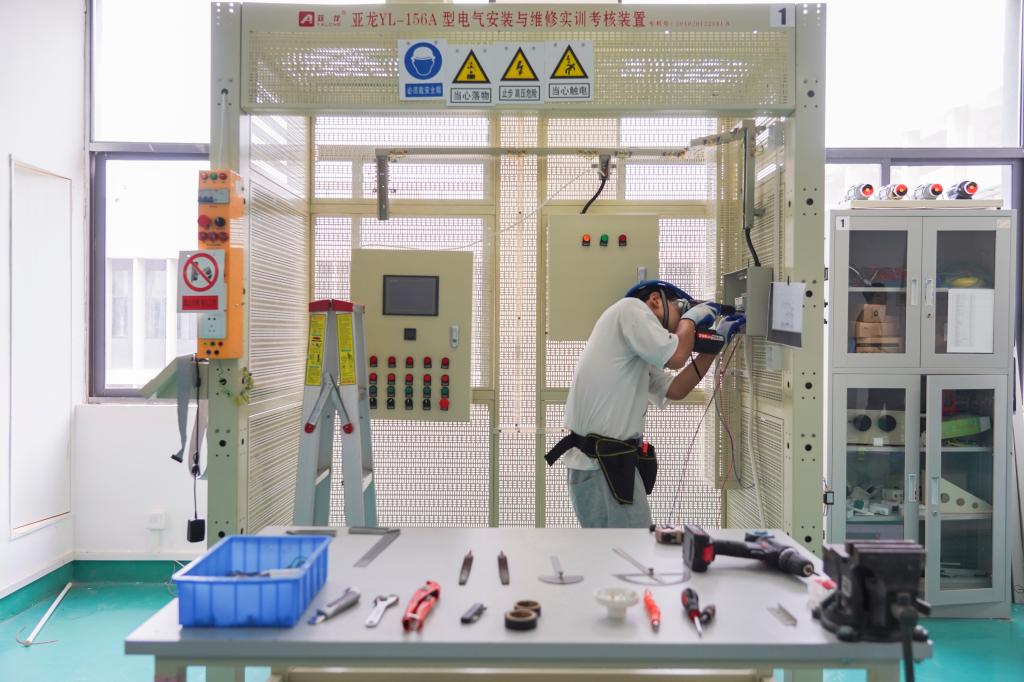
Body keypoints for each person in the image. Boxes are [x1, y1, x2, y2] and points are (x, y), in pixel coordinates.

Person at [544, 279, 746, 528]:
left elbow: (676, 389)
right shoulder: (630, 308)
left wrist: (715, 347)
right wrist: (691, 319)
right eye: (680, 310)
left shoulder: (634, 352)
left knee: (610, 548)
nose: (680, 325)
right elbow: (677, 357)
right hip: (604, 467)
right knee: (631, 547)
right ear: (655, 300)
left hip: (605, 466)